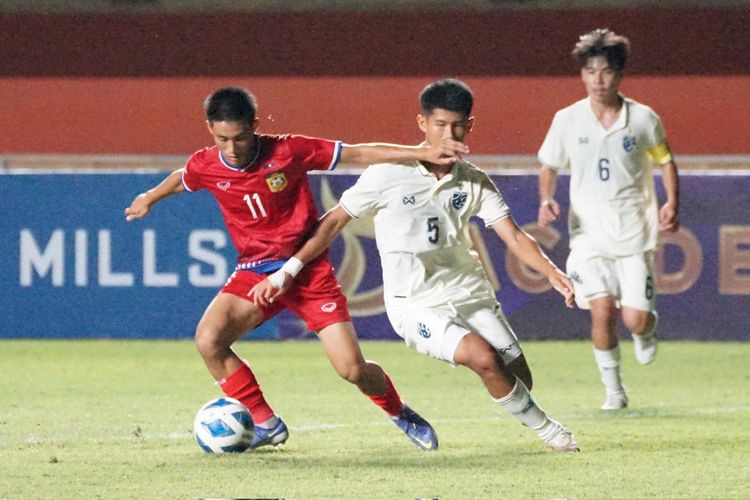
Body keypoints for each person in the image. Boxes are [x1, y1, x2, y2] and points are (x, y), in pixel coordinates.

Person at [124, 86, 469, 450]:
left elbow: (357, 153)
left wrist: (420, 152)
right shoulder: (207, 163)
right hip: (254, 272)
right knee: (209, 340)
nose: (232, 148)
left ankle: (400, 412)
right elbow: (184, 177)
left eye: (240, 137)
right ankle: (265, 422)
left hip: (307, 272)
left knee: (352, 370)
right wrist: (150, 197)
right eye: (222, 138)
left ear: (254, 126)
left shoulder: (289, 151)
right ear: (209, 128)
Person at [254, 79, 580, 452]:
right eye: (440, 124)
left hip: (468, 292)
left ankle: (525, 411)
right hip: (414, 303)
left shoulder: (474, 181)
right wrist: (288, 270)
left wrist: (553, 273)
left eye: (457, 126)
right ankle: (553, 434)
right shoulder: (387, 173)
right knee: (482, 357)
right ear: (422, 123)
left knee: (517, 373)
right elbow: (333, 221)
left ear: (469, 127)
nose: (448, 134)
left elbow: (515, 236)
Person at [536, 29, 680, 410]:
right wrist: (547, 198)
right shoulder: (567, 120)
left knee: (635, 320)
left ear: (620, 75)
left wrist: (671, 204)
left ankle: (646, 331)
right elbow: (549, 165)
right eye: (590, 71)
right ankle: (614, 392)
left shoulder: (643, 118)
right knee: (601, 310)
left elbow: (665, 161)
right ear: (582, 75)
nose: (598, 79)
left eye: (606, 71)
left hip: (635, 233)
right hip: (588, 237)